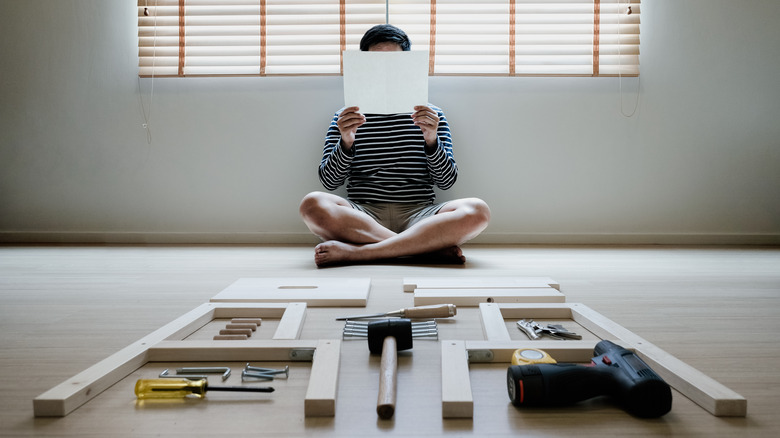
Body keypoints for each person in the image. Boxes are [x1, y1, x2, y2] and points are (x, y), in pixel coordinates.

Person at [299, 24, 490, 267]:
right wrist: (346, 141)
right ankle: (423, 250)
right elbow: (329, 182)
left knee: (477, 210)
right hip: (363, 216)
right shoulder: (345, 116)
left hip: (419, 215)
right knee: (312, 204)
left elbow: (446, 181)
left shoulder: (431, 115)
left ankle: (361, 253)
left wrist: (431, 140)